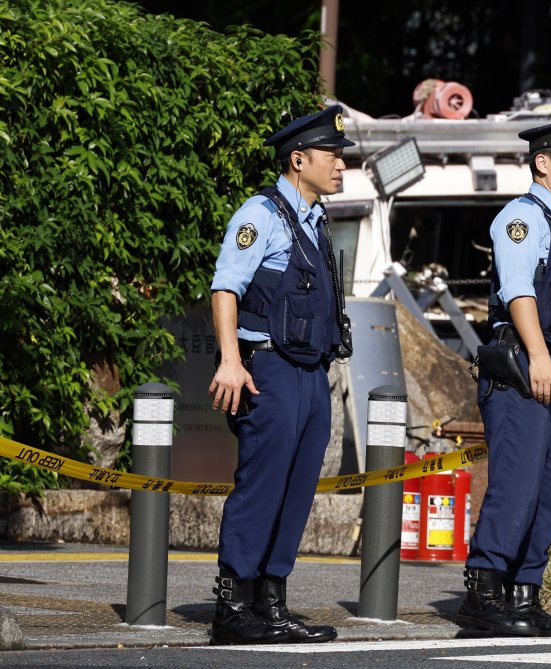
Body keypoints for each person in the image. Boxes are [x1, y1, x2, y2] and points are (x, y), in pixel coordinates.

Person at [207, 105, 354, 646]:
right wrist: (229, 359)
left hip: (311, 371)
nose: (341, 165)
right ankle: (233, 603)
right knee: (263, 484)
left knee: (296, 488)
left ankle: (272, 601)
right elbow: (227, 288)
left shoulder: (315, 221)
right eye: (332, 156)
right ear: (299, 159)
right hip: (267, 366)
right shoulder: (261, 214)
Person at [456, 117, 551, 637]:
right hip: (523, 368)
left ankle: (524, 595)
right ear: (543, 162)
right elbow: (519, 292)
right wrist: (540, 356)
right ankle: (484, 595)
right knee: (516, 487)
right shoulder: (523, 216)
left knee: (547, 491)